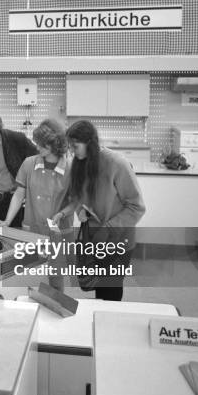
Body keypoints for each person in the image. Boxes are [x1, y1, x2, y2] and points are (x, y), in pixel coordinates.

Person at [66, 120, 145, 301]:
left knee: (111, 291)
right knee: (100, 290)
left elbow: (136, 207)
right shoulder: (80, 162)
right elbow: (80, 196)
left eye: (75, 146)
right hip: (95, 240)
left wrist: (108, 228)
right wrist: (81, 210)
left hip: (118, 241)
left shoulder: (117, 163)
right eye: (70, 147)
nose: (72, 151)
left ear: (90, 143)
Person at [0, 118, 73, 290]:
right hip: (32, 229)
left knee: (56, 279)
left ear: (56, 144)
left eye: (43, 144)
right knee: (32, 276)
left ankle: (55, 309)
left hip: (58, 232)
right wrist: (7, 221)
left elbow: (77, 200)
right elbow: (19, 193)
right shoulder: (29, 163)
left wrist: (62, 214)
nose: (38, 147)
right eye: (38, 143)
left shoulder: (71, 168)